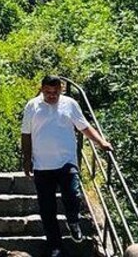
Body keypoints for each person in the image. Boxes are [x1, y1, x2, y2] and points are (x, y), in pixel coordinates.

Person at [21, 75, 113, 257]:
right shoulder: (32, 106)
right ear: (42, 89)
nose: (51, 96)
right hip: (42, 165)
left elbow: (84, 127)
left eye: (55, 92)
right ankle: (55, 246)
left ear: (61, 89)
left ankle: (73, 220)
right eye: (48, 92)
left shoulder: (70, 104)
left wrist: (100, 142)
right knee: (47, 209)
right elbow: (26, 134)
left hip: (66, 161)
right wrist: (26, 160)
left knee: (73, 195)